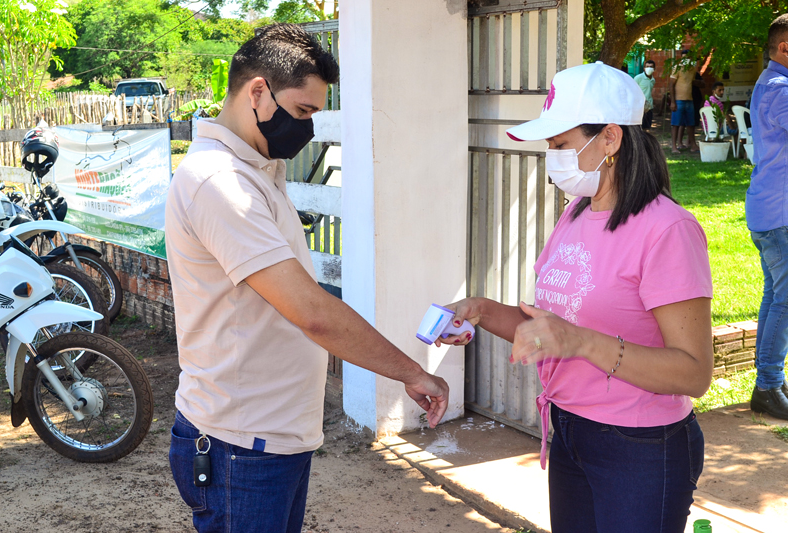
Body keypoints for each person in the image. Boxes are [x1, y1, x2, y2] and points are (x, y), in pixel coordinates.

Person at [165, 24, 449, 532]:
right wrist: (410, 371)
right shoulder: (220, 183)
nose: (307, 130)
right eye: (302, 112)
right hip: (240, 444)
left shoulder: (255, 171)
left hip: (266, 438)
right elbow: (312, 312)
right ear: (258, 92)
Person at [452, 62, 714, 532]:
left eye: (560, 145)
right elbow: (552, 328)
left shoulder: (668, 230)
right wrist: (480, 310)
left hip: (639, 446)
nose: (552, 158)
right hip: (569, 429)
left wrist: (581, 342)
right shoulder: (575, 214)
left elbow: (693, 373)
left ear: (610, 139)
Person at [746, 13, 788, 420]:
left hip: (770, 210)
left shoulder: (771, 83)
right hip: (778, 214)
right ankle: (768, 385)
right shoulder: (780, 87)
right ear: (784, 48)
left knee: (776, 295)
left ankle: (770, 378)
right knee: (785, 298)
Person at [670, 50, 699, 154]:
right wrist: (673, 102)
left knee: (691, 124)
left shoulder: (692, 69)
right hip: (678, 100)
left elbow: (692, 82)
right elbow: (671, 85)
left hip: (689, 99)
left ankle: (693, 145)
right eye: (684, 57)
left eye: (688, 57)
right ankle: (674, 146)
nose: (686, 60)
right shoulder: (677, 68)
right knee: (676, 124)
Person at [633, 59, 656, 130]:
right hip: (639, 106)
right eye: (647, 66)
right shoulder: (638, 78)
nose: (649, 68)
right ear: (644, 68)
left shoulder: (653, 80)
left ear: (654, 69)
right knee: (639, 127)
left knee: (647, 127)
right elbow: (633, 91)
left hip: (649, 106)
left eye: (651, 67)